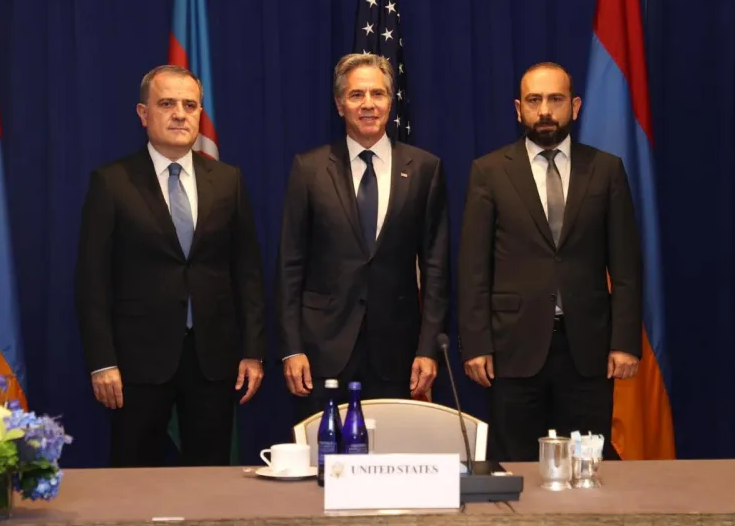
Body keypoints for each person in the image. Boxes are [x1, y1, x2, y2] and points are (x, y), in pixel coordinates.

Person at [75, 65, 265, 467]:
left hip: (213, 360)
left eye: (190, 105)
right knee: (134, 478)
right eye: (167, 104)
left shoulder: (228, 180)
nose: (180, 114)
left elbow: (246, 272)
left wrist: (253, 351)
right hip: (137, 364)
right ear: (143, 114)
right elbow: (92, 281)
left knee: (210, 480)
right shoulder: (112, 182)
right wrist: (102, 361)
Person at [457, 62, 642, 462]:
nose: (544, 110)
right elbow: (473, 269)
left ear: (574, 106)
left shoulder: (606, 170)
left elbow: (626, 267)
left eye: (555, 99)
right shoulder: (489, 171)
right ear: (518, 109)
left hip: (588, 350)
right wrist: (475, 344)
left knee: (586, 467)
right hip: (512, 348)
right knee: (516, 465)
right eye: (534, 100)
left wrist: (625, 342)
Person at [275, 53, 450, 422]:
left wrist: (428, 348)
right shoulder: (309, 169)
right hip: (321, 351)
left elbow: (436, 269)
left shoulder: (424, 169)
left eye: (378, 94)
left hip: (397, 353)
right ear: (340, 105)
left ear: (390, 102)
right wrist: (291, 348)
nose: (368, 104)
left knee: (390, 452)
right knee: (322, 453)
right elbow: (290, 264)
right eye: (356, 95)